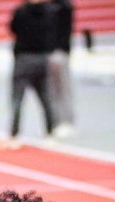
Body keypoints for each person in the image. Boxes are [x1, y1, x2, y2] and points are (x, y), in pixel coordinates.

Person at [0, 0, 60, 148]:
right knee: (46, 97)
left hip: (24, 58)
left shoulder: (21, 12)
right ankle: (50, 133)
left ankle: (14, 135)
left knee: (17, 99)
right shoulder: (49, 12)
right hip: (42, 57)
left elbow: (13, 28)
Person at [48, 0, 75, 135]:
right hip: (46, 51)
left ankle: (67, 121)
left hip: (59, 51)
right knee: (51, 90)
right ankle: (55, 121)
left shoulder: (63, 7)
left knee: (62, 88)